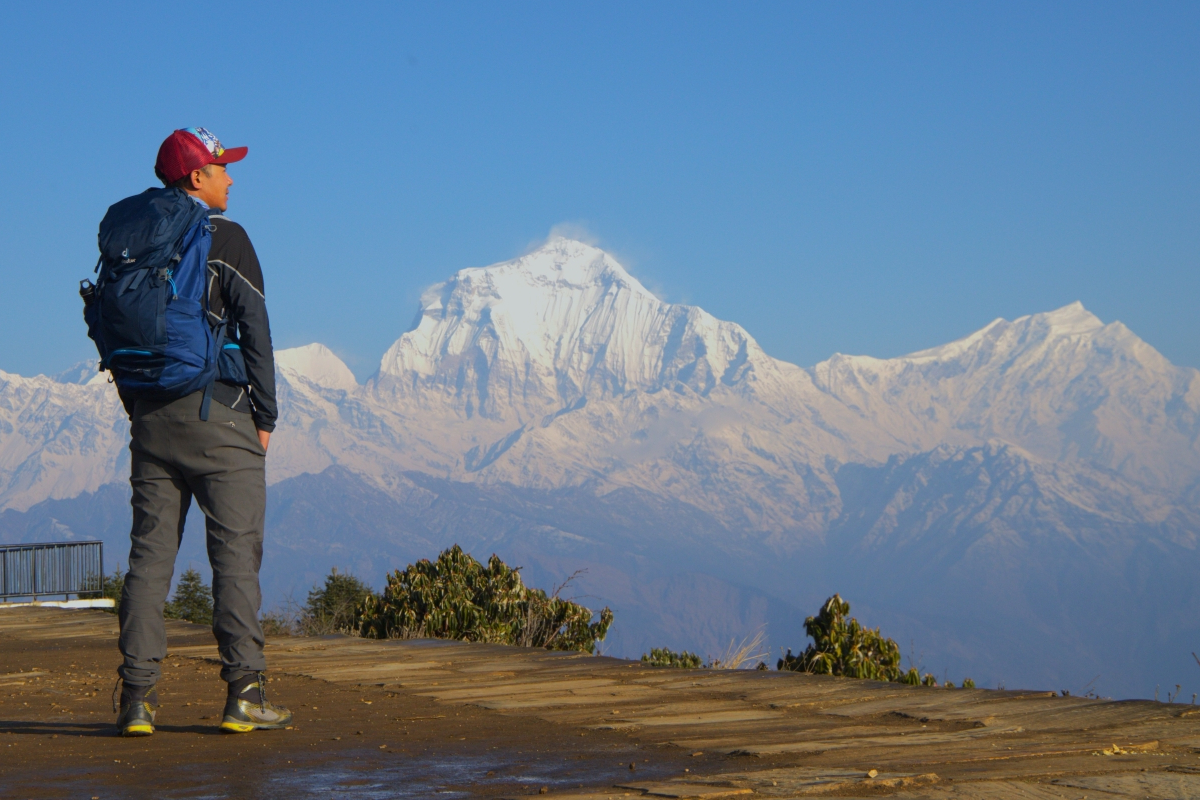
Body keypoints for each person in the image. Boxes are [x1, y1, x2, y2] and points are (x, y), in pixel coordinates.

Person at [113, 127, 291, 736]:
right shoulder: (226, 238)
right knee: (235, 558)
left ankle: (137, 700)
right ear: (196, 177)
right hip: (221, 419)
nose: (230, 177)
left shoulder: (133, 239)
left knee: (148, 560)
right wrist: (265, 416)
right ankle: (244, 694)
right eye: (221, 167)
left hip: (151, 421)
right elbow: (257, 331)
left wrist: (139, 409)